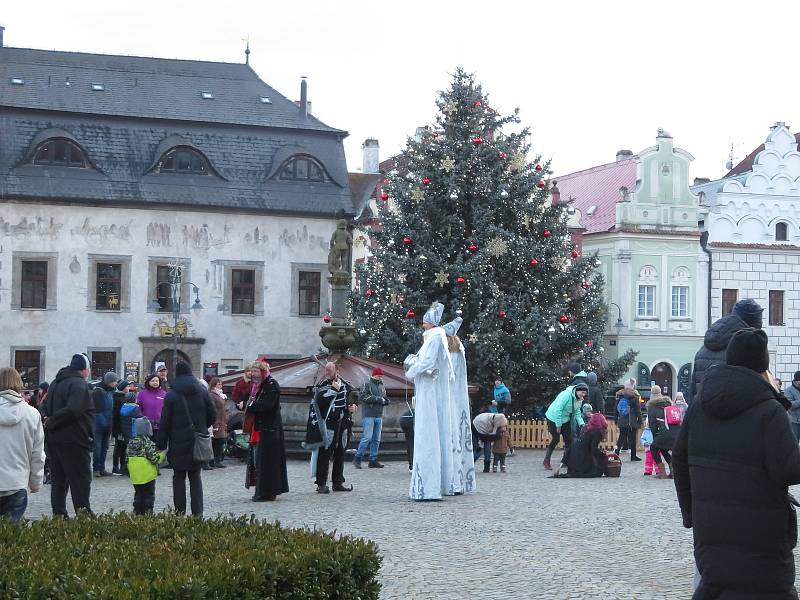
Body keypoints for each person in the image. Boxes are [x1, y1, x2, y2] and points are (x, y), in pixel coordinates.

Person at [673, 328, 800, 598]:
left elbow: (679, 461)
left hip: (711, 529)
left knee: (717, 588)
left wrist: (691, 513)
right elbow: (788, 468)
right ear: (763, 365)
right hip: (761, 531)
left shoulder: (699, 405)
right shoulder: (769, 409)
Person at [405, 302, 455, 500]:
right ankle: (433, 484)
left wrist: (411, 370)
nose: (422, 325)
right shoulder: (435, 337)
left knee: (427, 433)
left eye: (425, 322)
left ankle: (428, 486)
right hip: (428, 387)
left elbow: (427, 362)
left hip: (427, 388)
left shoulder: (434, 338)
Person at [156, 362, 215, 517]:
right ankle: (198, 513)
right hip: (197, 441)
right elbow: (212, 415)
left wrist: (161, 444)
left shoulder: (171, 395)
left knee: (178, 477)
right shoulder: (202, 392)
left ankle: (179, 512)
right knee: (195, 477)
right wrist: (201, 427)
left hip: (177, 442)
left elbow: (165, 422)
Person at [41, 353, 94, 516]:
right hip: (74, 439)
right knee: (80, 479)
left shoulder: (56, 382)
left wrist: (46, 419)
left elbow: (43, 405)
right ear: (85, 369)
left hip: (54, 439)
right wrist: (52, 420)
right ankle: (83, 515)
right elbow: (74, 409)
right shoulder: (78, 384)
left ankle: (59, 515)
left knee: (58, 480)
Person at [689, 298, 763, 402]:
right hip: (735, 413)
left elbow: (693, 392)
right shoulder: (747, 346)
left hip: (704, 412)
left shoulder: (704, 348)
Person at [0, 368, 45, 521]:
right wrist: (35, 482)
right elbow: (37, 454)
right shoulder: (32, 414)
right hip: (16, 483)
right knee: (11, 539)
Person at [305, 362, 357, 494]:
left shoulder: (345, 385)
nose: (327, 372)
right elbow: (318, 402)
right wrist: (333, 390)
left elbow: (353, 397)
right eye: (326, 370)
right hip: (328, 425)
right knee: (325, 454)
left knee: (340, 454)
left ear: (337, 371)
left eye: (330, 370)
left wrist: (353, 406)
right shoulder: (322, 385)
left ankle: (337, 482)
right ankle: (321, 484)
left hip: (342, 424)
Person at [246, 363, 288, 502]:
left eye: (255, 371)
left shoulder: (271, 385)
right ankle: (262, 491)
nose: (253, 374)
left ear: (263, 372)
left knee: (268, 463)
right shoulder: (260, 386)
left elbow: (268, 405)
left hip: (270, 429)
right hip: (262, 429)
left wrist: (251, 406)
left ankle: (267, 492)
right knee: (261, 462)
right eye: (252, 371)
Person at [444, 316, 475, 494]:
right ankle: (461, 479)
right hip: (458, 396)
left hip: (449, 395)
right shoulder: (460, 350)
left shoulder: (448, 352)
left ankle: (452, 480)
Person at [542, 382, 588, 470]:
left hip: (566, 419)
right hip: (553, 417)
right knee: (556, 439)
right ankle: (546, 460)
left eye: (585, 393)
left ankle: (565, 460)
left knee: (569, 439)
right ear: (577, 391)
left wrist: (582, 424)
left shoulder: (580, 399)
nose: (583, 395)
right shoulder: (566, 395)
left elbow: (577, 412)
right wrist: (558, 425)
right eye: (582, 392)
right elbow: (558, 409)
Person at [353, 367, 389, 470]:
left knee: (376, 440)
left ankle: (373, 460)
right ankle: (358, 458)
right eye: (379, 376)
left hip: (379, 415)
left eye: (381, 376)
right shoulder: (367, 384)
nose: (380, 378)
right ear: (374, 375)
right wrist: (379, 399)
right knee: (367, 438)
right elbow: (363, 397)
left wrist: (386, 401)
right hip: (368, 414)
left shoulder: (381, 385)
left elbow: (385, 397)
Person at [126, 416, 164, 515]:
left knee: (138, 494)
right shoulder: (147, 443)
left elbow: (126, 459)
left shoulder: (130, 443)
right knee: (148, 495)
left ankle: (137, 511)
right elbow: (154, 459)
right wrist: (163, 454)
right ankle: (148, 513)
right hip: (147, 475)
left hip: (135, 475)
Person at [553, 413, 610, 478]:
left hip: (574, 457)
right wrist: (603, 453)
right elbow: (593, 449)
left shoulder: (587, 429)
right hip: (581, 458)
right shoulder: (596, 432)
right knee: (598, 469)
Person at [645, 385, 676, 478]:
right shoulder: (668, 404)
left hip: (665, 432)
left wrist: (655, 438)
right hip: (676, 431)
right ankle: (673, 471)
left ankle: (662, 473)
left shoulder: (652, 407)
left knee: (653, 448)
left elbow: (653, 426)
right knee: (663, 449)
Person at [91, 371, 118, 477]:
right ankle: (96, 468)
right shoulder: (98, 391)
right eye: (114, 381)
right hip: (99, 423)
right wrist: (102, 422)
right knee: (97, 447)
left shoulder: (111, 392)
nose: (116, 383)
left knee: (105, 447)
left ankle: (102, 467)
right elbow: (97, 409)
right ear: (109, 381)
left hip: (108, 422)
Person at [613, 378, 642, 461]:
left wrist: (616, 419)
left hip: (622, 420)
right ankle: (633, 456)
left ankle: (616, 454)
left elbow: (615, 409)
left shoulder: (620, 395)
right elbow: (637, 410)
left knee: (621, 438)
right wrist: (639, 421)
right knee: (632, 439)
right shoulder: (634, 397)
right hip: (631, 422)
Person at [111, 380, 133, 475]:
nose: (129, 388)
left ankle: (118, 466)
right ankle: (119, 467)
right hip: (120, 427)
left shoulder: (118, 397)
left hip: (119, 427)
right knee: (121, 447)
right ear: (123, 388)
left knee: (119, 447)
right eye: (127, 387)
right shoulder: (119, 399)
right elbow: (118, 416)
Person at [136, 374, 166, 438]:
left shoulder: (164, 394)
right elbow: (138, 408)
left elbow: (167, 408)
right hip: (146, 425)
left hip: (160, 426)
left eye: (156, 381)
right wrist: (144, 418)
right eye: (153, 381)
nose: (155, 382)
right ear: (148, 382)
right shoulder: (142, 393)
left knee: (158, 446)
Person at [208, 378, 227, 469]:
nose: (220, 385)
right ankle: (214, 460)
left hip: (222, 421)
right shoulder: (212, 395)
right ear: (214, 385)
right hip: (217, 421)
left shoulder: (220, 394)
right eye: (219, 384)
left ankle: (217, 460)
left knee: (220, 441)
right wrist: (214, 422)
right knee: (217, 441)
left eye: (221, 384)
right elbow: (212, 409)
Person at [784, 371, 800, 441]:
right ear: (797, 381)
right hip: (795, 422)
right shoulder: (788, 390)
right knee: (795, 442)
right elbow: (789, 405)